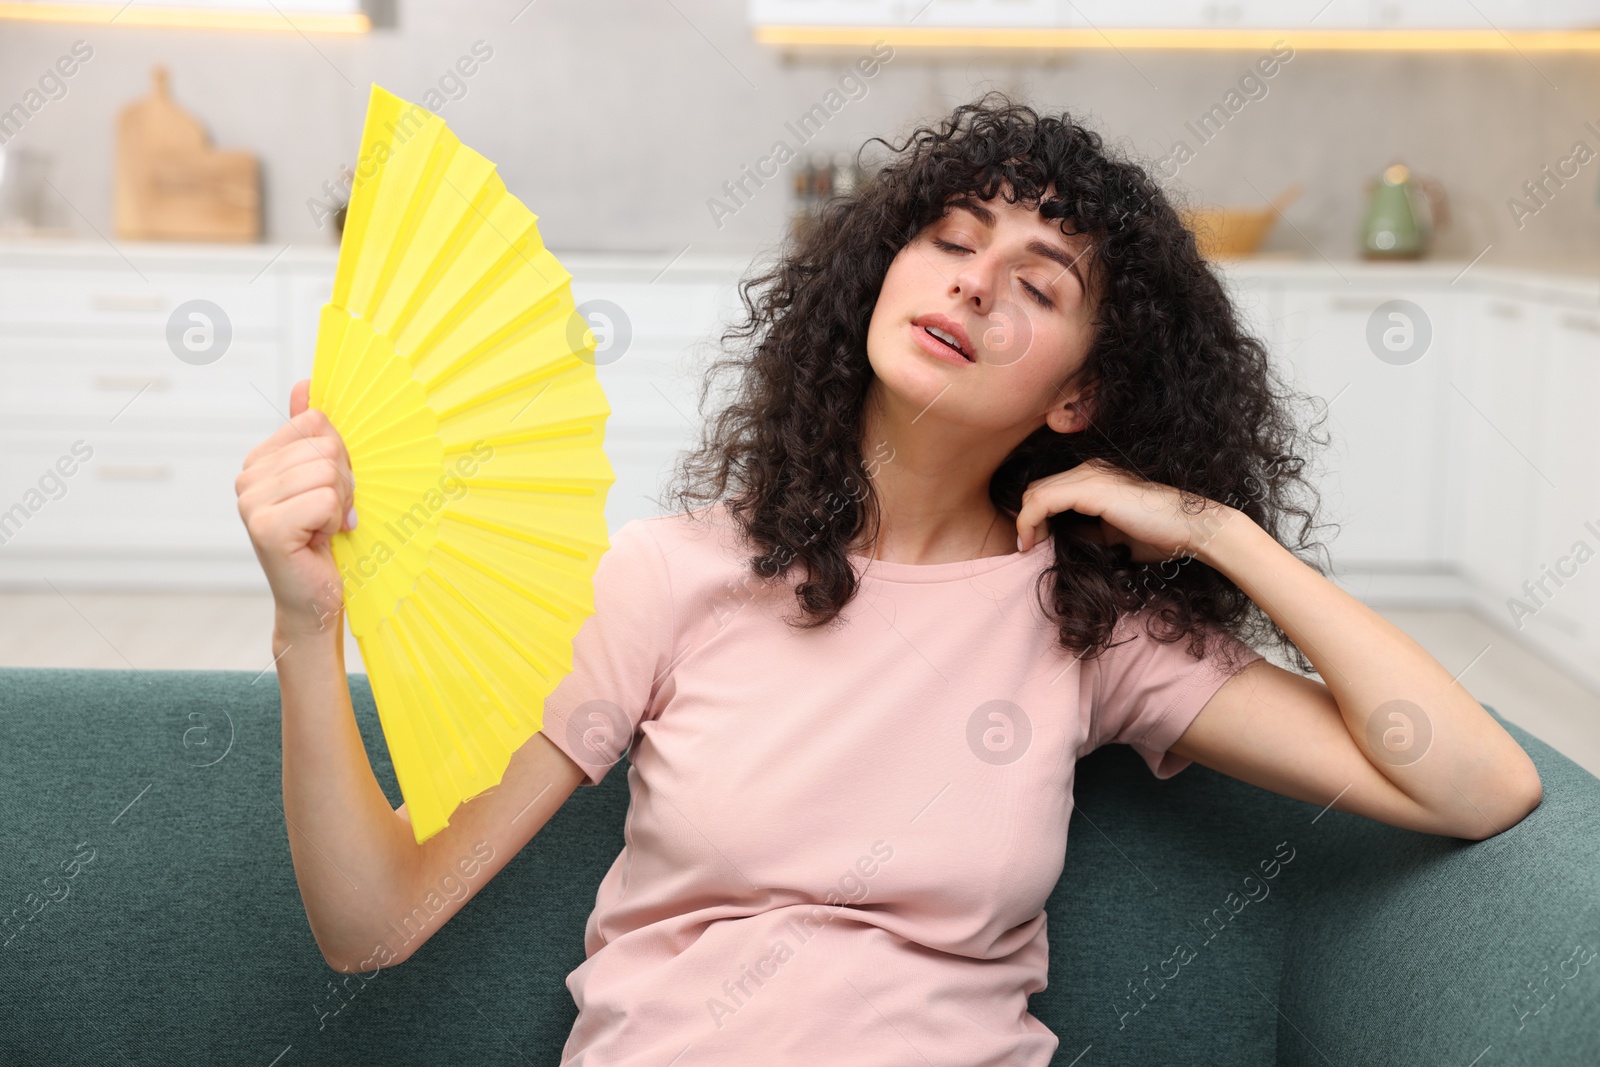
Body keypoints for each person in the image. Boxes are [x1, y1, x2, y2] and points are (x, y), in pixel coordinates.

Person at [234, 92, 1543, 1065]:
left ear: (1082, 393)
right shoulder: (671, 579)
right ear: (880, 273)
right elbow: (377, 925)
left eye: (1036, 284)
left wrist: (1218, 534)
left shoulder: (1092, 632)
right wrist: (310, 630)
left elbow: (1478, 783)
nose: (974, 284)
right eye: (949, 241)